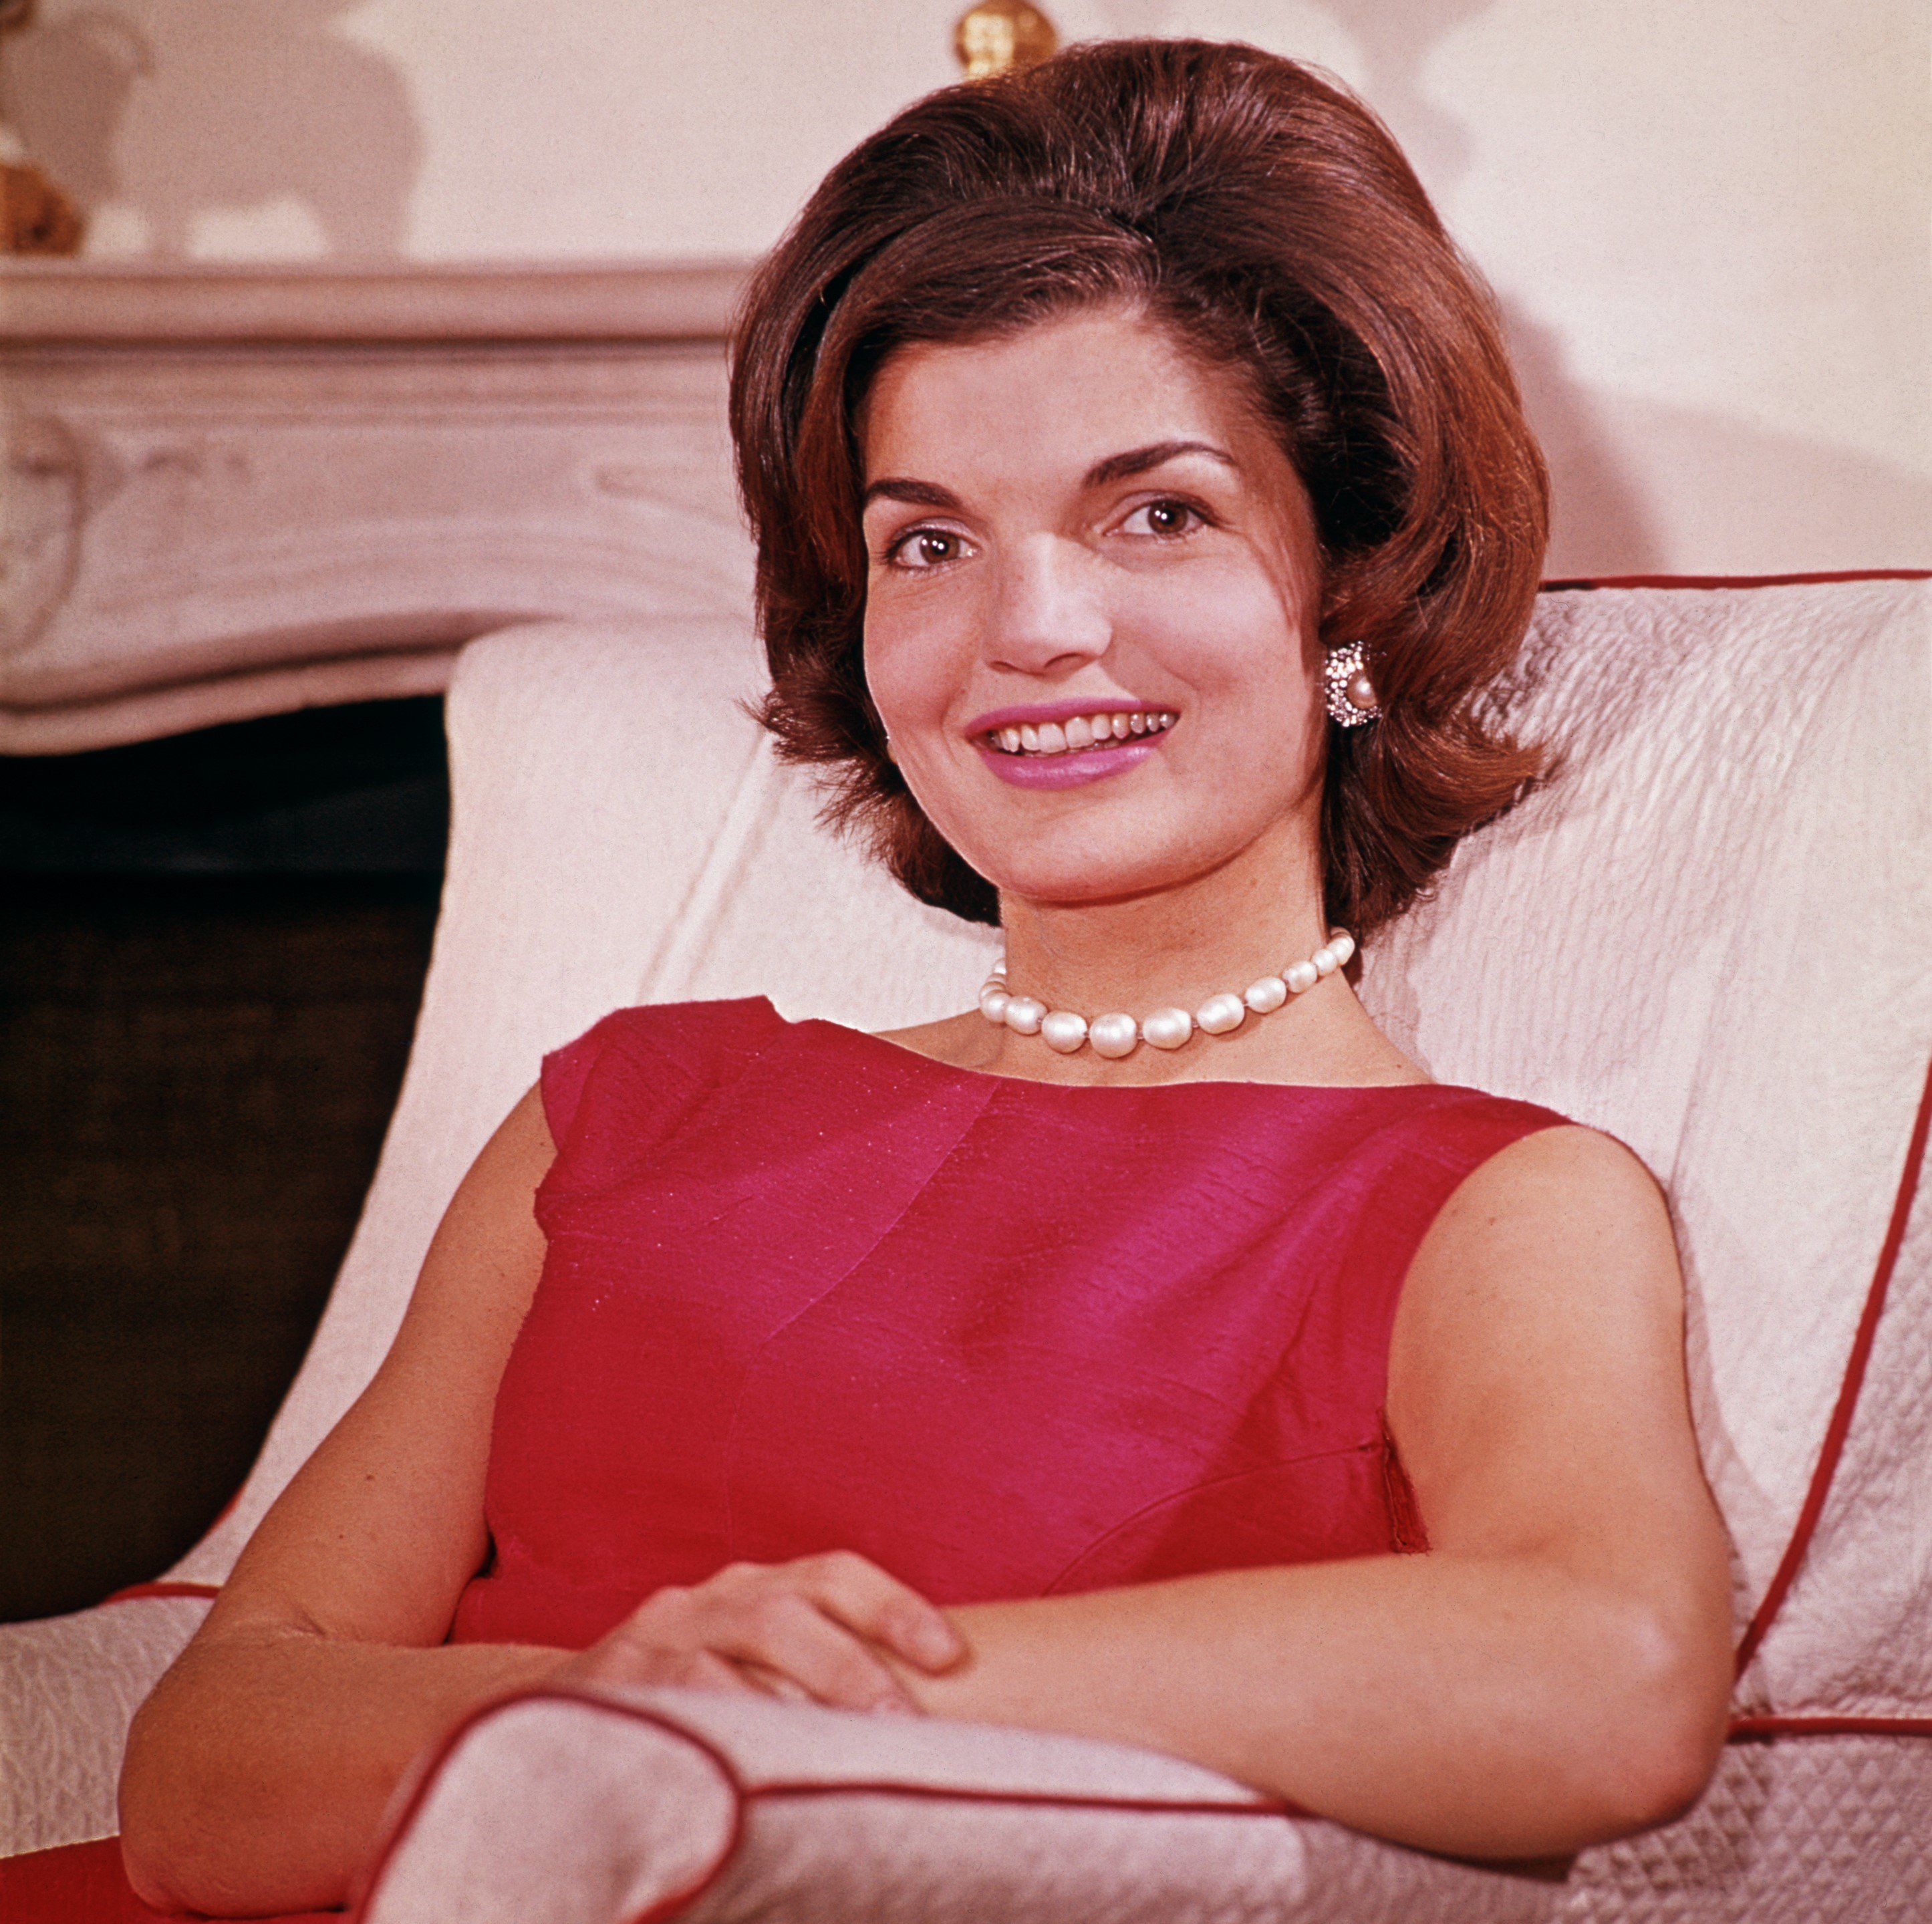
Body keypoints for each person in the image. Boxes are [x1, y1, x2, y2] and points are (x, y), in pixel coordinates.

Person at [118, 39, 1733, 1917]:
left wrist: (784, 1722)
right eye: (929, 542)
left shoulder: (1490, 1204)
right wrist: (597, 1714)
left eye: (1160, 513)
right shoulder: (620, 1116)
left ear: (1354, 583)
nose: (1029, 632)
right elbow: (199, 1777)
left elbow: (1604, 1683)